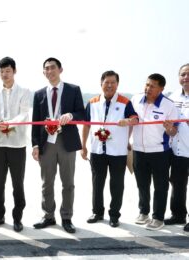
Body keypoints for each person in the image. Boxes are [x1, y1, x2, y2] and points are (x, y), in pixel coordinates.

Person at [31, 57, 85, 234]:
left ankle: (67, 217)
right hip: (46, 143)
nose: (49, 71)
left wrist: (71, 115)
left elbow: (82, 114)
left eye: (53, 67)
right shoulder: (39, 94)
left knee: (68, 182)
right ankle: (48, 216)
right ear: (43, 72)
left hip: (66, 142)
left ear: (60, 70)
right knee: (47, 183)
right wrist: (35, 145)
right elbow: (35, 122)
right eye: (46, 68)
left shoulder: (73, 90)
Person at [81, 71, 138, 228]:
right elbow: (86, 125)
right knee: (97, 183)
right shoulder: (92, 102)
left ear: (117, 84)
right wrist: (83, 146)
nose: (110, 85)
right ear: (101, 83)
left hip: (117, 152)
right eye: (107, 82)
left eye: (113, 82)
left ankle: (114, 215)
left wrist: (127, 120)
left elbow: (136, 119)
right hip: (97, 150)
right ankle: (97, 212)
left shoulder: (125, 102)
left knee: (117, 184)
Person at [0, 57, 31, 232]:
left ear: (14, 71)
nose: (5, 75)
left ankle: (17, 218)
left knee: (17, 184)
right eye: (2, 71)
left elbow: (24, 115)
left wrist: (9, 124)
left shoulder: (24, 91)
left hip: (17, 145)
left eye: (8, 71)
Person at [131, 73, 178, 230]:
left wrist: (169, 128)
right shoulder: (135, 100)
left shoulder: (169, 105)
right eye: (147, 84)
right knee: (142, 184)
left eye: (152, 86)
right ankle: (144, 212)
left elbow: (174, 132)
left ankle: (158, 217)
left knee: (160, 186)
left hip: (160, 152)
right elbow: (131, 122)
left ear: (161, 88)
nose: (148, 88)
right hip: (138, 150)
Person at [164, 64, 189, 231]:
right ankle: (178, 215)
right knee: (178, 184)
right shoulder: (172, 98)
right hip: (177, 150)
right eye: (183, 74)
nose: (186, 77)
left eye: (188, 74)